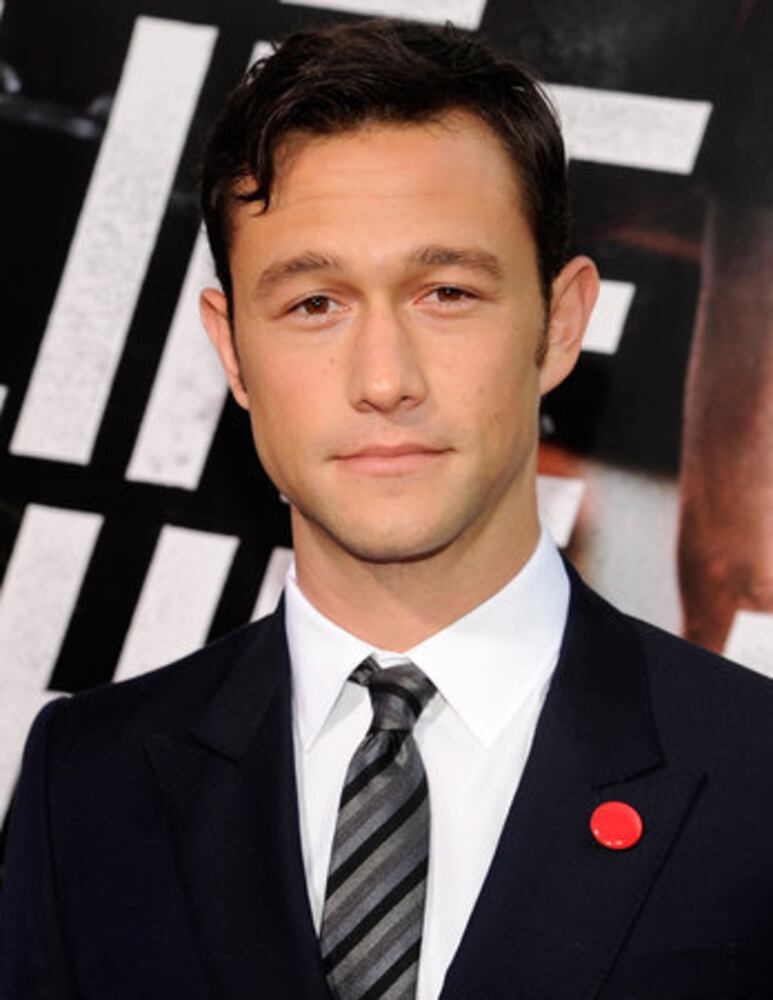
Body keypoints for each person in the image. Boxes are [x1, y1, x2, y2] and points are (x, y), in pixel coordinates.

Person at [1, 16, 773, 999]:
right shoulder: (86, 780)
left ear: (559, 324)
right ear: (231, 349)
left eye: (445, 292)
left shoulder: (753, 770)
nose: (382, 380)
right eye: (313, 303)